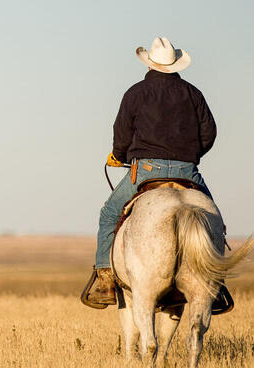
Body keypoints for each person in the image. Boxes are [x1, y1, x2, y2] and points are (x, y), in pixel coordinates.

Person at [87, 37, 219, 307]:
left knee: (109, 214)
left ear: (149, 63)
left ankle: (105, 280)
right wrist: (190, 156)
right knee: (214, 220)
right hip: (187, 172)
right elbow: (209, 133)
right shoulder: (193, 93)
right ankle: (217, 285)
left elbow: (122, 133)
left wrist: (119, 156)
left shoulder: (135, 93)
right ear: (175, 65)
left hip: (146, 171)